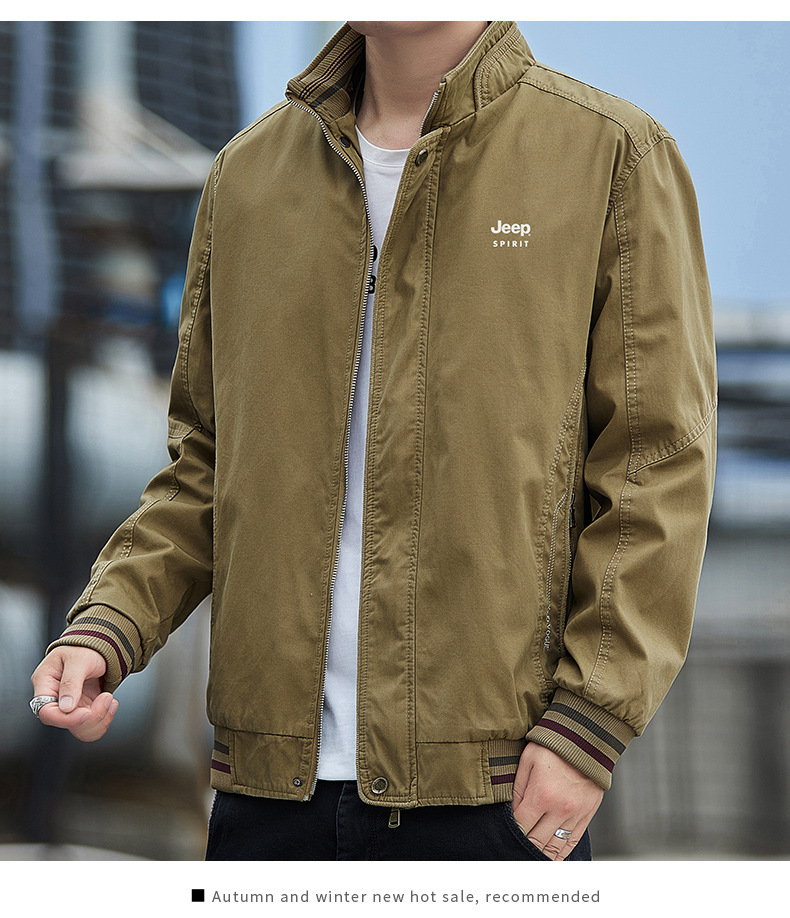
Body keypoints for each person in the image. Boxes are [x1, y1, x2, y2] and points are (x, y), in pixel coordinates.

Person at [30, 21, 717, 861]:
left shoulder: (609, 155)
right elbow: (205, 467)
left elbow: (655, 464)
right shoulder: (248, 175)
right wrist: (106, 626)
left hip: (494, 789)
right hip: (267, 793)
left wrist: (589, 724)